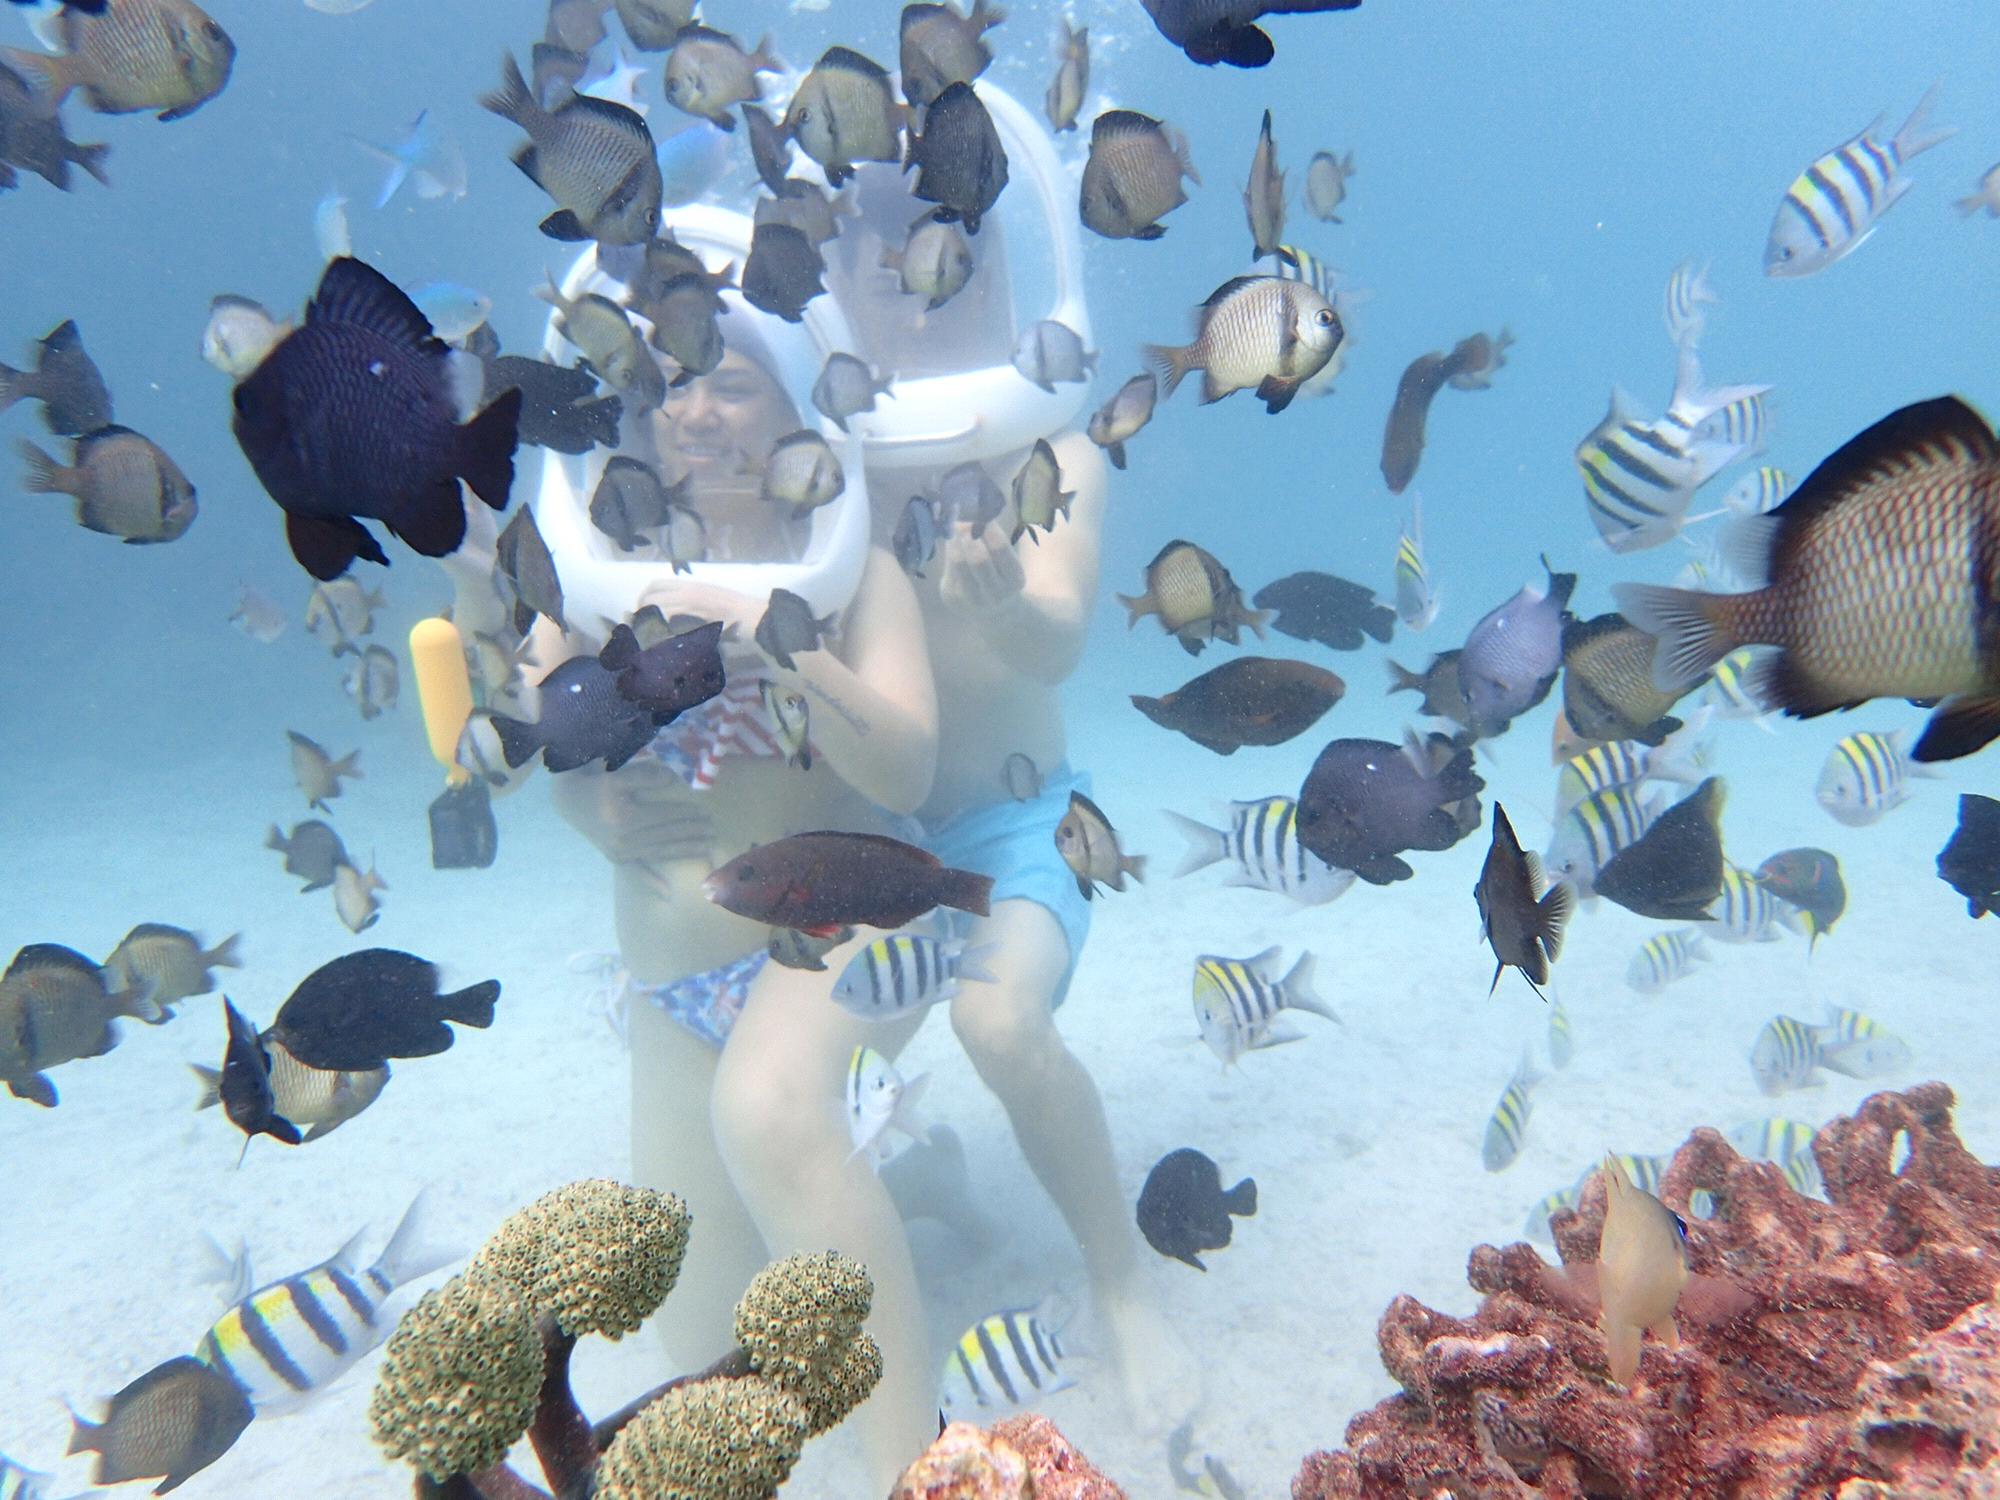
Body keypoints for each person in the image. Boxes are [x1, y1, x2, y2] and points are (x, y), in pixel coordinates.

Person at [443, 205, 947, 1484]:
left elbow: (908, 767)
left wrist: (781, 637)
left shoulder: (855, 572)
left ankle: (917, 1474)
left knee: (772, 1114)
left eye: (730, 381)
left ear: (795, 412)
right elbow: (536, 751)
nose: (697, 412)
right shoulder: (594, 568)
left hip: (839, 941)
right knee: (688, 1292)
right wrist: (588, 808)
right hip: (667, 983)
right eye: (669, 385)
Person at [820, 86, 1200, 1437]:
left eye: (950, 264)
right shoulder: (833, 468)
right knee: (804, 1081)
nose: (923, 295)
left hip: (1027, 826)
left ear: (997, 279)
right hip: (869, 836)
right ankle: (923, 1201)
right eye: (894, 276)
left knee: (994, 1018)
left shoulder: (1061, 452)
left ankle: (1123, 1284)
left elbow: (1054, 651)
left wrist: (999, 606)